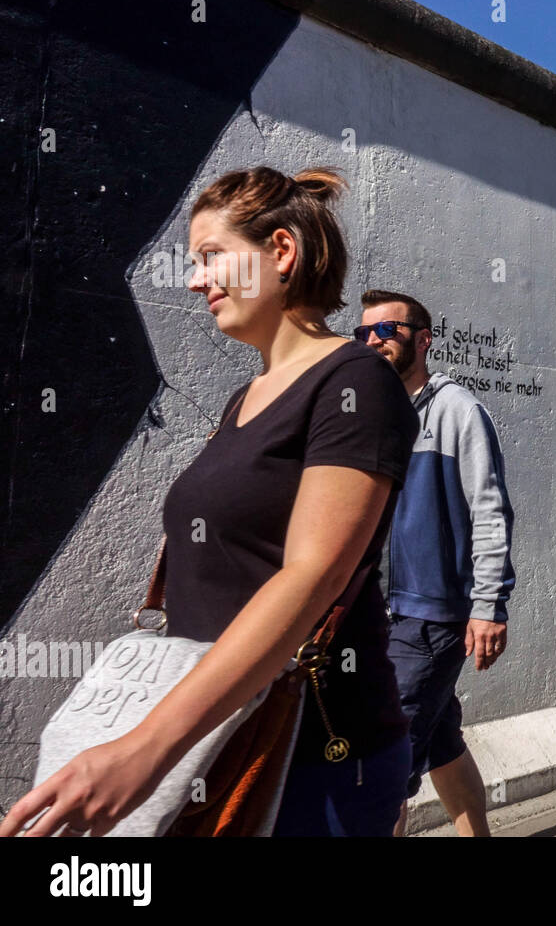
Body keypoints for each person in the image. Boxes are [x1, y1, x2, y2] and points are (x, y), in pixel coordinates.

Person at [0, 167, 419, 838]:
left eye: (211, 257)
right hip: (216, 739)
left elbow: (315, 575)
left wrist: (146, 749)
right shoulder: (244, 398)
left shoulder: (355, 382)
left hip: (305, 756)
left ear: (281, 251)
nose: (195, 281)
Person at [356, 290, 515, 838]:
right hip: (381, 613)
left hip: (431, 615)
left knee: (381, 766)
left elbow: (490, 511)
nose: (373, 341)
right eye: (364, 333)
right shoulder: (375, 414)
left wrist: (489, 604)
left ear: (422, 340)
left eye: (386, 331)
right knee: (442, 743)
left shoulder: (457, 411)